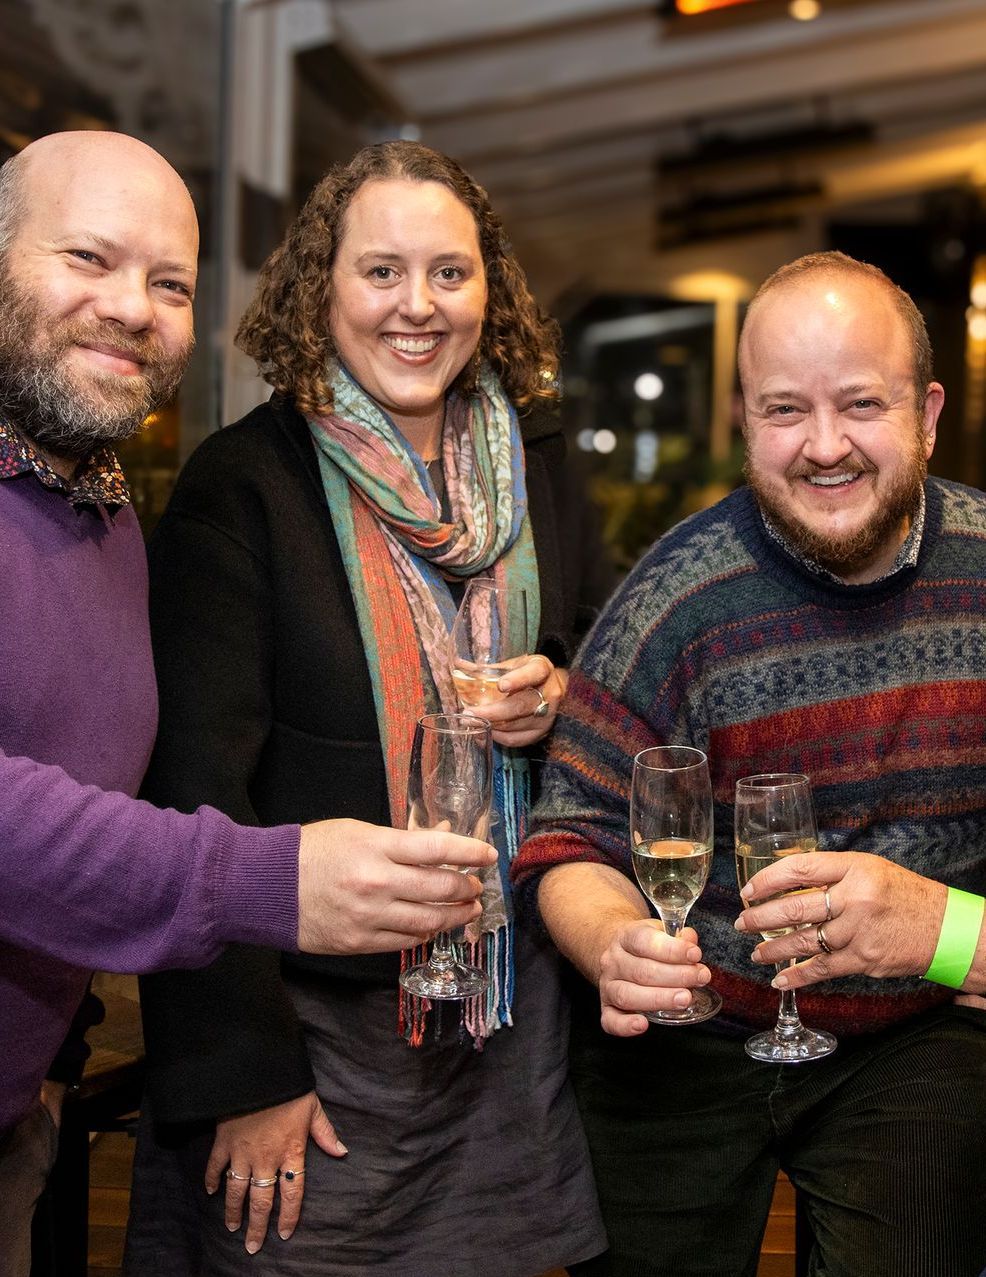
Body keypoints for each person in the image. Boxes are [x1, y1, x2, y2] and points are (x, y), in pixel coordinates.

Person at [0, 130, 494, 1277]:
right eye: (88, 257)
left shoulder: (100, 508)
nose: (132, 308)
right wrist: (269, 881)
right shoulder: (239, 485)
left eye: (169, 283)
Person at [123, 141, 608, 1275]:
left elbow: (598, 654)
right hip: (314, 1030)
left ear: (491, 288)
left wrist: (563, 689)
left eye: (449, 272)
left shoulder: (538, 464)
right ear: (317, 288)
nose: (417, 306)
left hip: (505, 1019)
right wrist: (248, 1074)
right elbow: (190, 785)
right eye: (379, 271)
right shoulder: (245, 483)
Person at [513, 251, 986, 1277]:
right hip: (687, 1030)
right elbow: (567, 841)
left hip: (905, 1030)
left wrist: (939, 931)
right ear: (742, 422)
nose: (822, 447)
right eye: (784, 410)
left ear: (926, 411)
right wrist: (611, 941)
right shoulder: (673, 599)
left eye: (859, 403)